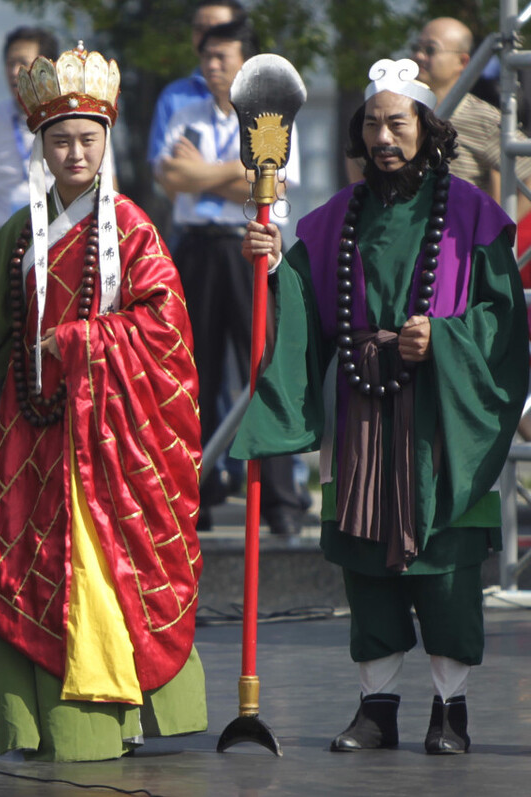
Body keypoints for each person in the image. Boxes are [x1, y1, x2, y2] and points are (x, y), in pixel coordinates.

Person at [0, 45, 206, 762]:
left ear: (107, 142)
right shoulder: (21, 232)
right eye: (60, 140)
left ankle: (107, 716)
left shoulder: (132, 227)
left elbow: (166, 324)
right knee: (25, 565)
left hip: (112, 442)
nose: (74, 151)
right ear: (40, 145)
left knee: (104, 566)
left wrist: (84, 339)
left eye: (87, 138)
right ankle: (30, 719)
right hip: (31, 429)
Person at [234, 59, 528, 755]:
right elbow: (306, 305)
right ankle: (376, 706)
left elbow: (504, 320)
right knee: (364, 563)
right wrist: (277, 264)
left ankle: (449, 710)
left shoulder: (476, 218)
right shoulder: (332, 218)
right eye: (372, 124)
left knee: (450, 566)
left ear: (428, 130)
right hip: (360, 411)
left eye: (398, 123)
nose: (384, 137)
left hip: (442, 420)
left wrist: (447, 338)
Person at [155, 17, 307, 535]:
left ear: (245, 63)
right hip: (196, 249)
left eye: (223, 57)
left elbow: (276, 185)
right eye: (206, 57)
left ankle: (282, 501)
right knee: (194, 374)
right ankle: (191, 495)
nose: (212, 66)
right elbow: (173, 180)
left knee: (263, 368)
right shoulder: (183, 109)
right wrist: (241, 175)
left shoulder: (269, 115)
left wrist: (207, 173)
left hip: (253, 248)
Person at [0, 24, 58, 494]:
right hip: (1, 236)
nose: (15, 72)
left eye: (26, 62)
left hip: (54, 238)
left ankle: (43, 454)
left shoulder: (67, 118)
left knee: (47, 350)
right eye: (10, 62)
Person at [411, 16, 531, 216]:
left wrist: (499, 232)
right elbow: (355, 155)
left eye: (430, 49)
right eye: (416, 47)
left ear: (462, 61)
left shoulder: (481, 116)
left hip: (453, 242)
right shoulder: (397, 107)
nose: (419, 56)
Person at [146, 0, 246, 166]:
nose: (206, 37)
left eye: (218, 28)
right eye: (199, 29)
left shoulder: (261, 101)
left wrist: (197, 174)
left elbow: (272, 182)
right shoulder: (174, 96)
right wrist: (237, 171)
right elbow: (166, 176)